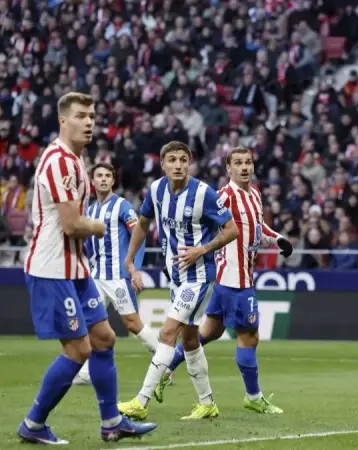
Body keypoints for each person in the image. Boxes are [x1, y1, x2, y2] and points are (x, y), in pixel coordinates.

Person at [17, 92, 156, 444]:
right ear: (64, 120)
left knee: (104, 338)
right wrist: (97, 226)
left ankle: (112, 423)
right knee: (79, 350)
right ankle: (33, 424)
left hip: (75, 267)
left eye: (93, 115)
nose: (90, 122)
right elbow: (71, 225)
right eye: (81, 116)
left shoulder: (77, 161)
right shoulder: (61, 162)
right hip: (52, 268)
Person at [153, 146, 293, 414]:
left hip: (236, 278)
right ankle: (253, 396)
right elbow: (202, 228)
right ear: (228, 168)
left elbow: (257, 226)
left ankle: (166, 369)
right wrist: (186, 258)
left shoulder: (254, 194)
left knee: (209, 332)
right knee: (249, 337)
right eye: (238, 163)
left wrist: (277, 239)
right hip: (233, 279)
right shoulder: (224, 196)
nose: (244, 167)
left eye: (248, 162)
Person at [118, 141, 240, 420]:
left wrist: (203, 249)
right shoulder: (157, 190)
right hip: (176, 276)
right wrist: (130, 259)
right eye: (172, 160)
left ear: (190, 163)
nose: (178, 165)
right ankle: (207, 403)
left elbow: (231, 229)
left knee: (167, 332)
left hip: (199, 277)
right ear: (162, 164)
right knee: (190, 340)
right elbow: (144, 223)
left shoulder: (204, 194)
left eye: (183, 160)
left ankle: (141, 401)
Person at [73, 162, 159, 385]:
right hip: (97, 277)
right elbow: (90, 245)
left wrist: (134, 268)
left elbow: (139, 236)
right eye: (99, 176)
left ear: (113, 181)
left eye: (107, 176)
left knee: (132, 323)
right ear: (93, 181)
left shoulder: (122, 206)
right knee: (89, 322)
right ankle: (86, 371)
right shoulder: (91, 210)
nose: (103, 179)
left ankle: (164, 357)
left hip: (118, 276)